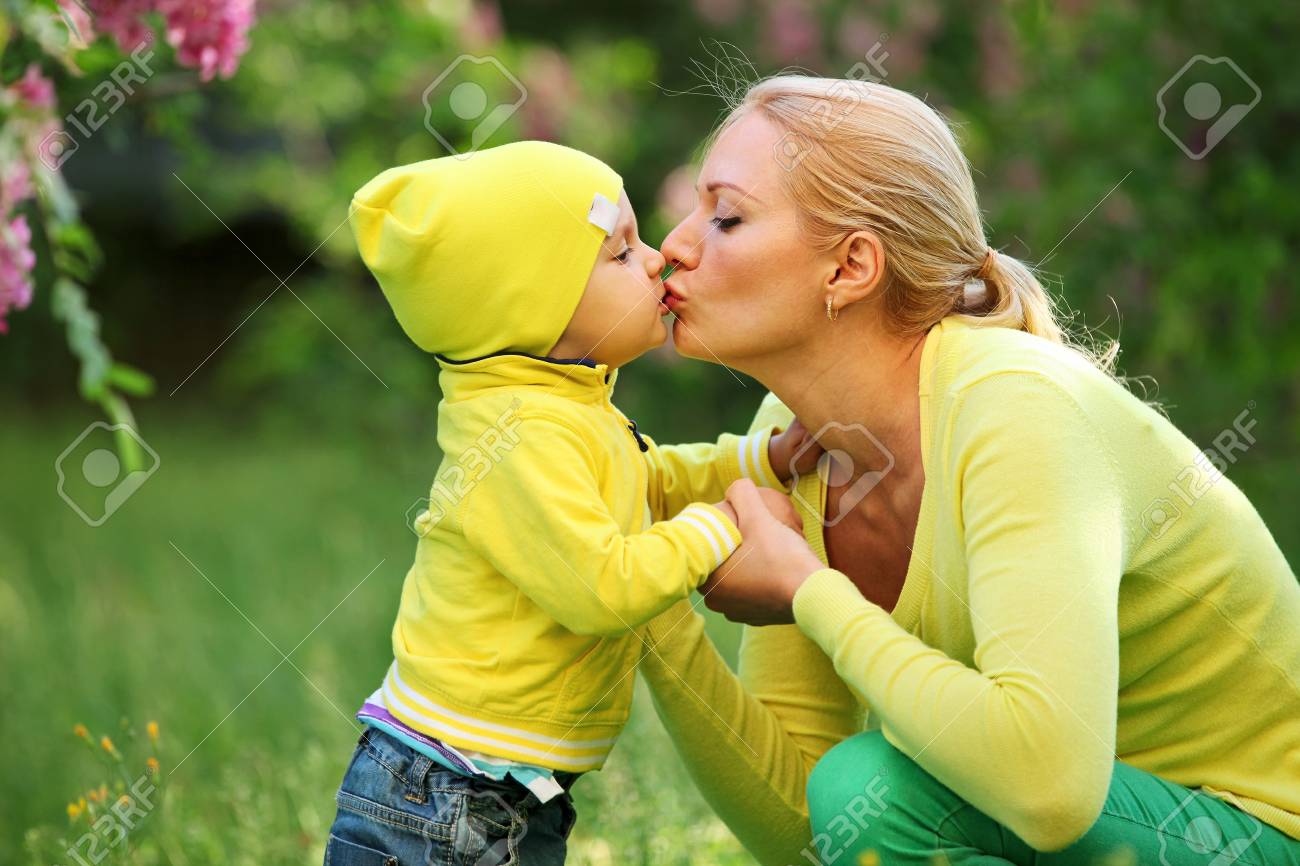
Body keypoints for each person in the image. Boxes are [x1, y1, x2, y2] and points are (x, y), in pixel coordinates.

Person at [642, 75, 1300, 865]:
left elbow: (1048, 790)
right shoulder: (793, 440)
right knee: (861, 795)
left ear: (850, 267)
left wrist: (812, 594)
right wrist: (638, 598)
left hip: (1256, 831)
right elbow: (811, 831)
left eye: (726, 217)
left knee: (875, 788)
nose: (672, 245)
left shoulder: (1015, 409)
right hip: (1102, 826)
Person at [326, 140, 809, 865]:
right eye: (619, 254)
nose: (656, 260)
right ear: (534, 305)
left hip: (490, 788)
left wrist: (755, 460)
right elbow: (601, 589)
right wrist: (722, 527)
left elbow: (641, 481)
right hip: (442, 795)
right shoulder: (518, 435)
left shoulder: (562, 405)